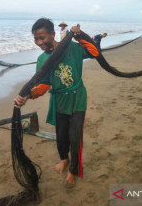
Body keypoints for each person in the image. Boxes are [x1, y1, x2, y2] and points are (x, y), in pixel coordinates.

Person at [14, 18, 100, 188]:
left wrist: (80, 35)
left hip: (77, 99)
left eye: (42, 38)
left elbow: (94, 52)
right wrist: (28, 95)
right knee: (61, 136)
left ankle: (73, 170)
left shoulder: (72, 48)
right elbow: (44, 84)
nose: (39, 43)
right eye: (36, 39)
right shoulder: (42, 59)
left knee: (75, 138)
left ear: (53, 34)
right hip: (59, 101)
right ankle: (64, 159)